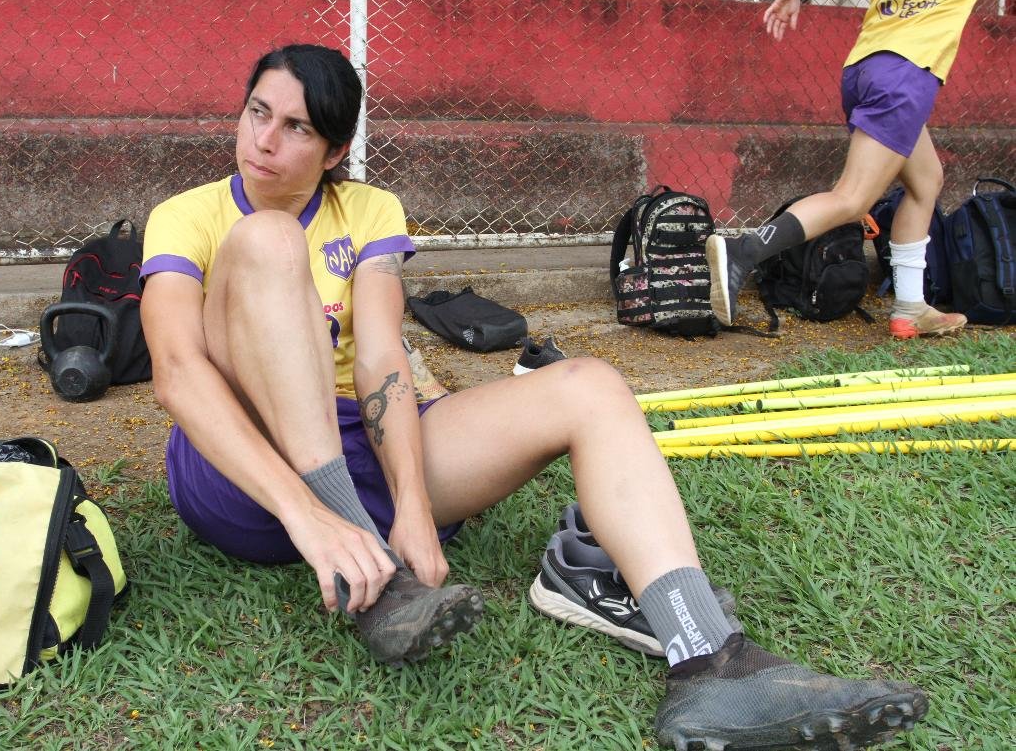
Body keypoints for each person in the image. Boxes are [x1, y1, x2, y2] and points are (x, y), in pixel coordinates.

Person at [140, 44, 927, 749]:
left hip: (358, 444)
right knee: (269, 237)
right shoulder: (189, 216)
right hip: (242, 473)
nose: (264, 141)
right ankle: (364, 557)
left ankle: (709, 660)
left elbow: (382, 356)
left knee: (592, 385)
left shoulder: (369, 211)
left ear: (337, 148)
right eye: (257, 114)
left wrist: (412, 503)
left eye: (297, 129)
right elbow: (178, 372)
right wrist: (306, 514)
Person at [708, 0, 987, 339]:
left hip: (866, 67)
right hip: (907, 73)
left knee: (926, 182)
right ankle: (744, 251)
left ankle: (910, 308)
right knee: (852, 198)